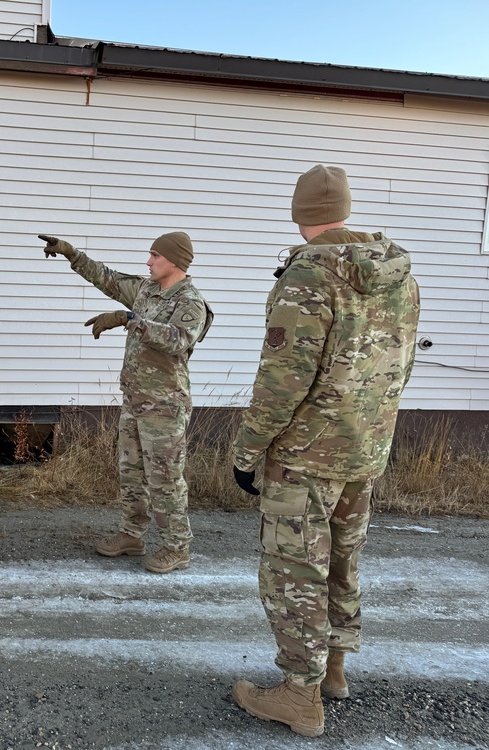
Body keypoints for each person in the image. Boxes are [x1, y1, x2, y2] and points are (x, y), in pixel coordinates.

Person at [230, 165, 420, 736]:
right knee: (342, 558)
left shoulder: (308, 277)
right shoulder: (399, 276)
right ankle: (333, 669)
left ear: (299, 212)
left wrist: (247, 450)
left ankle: (299, 696)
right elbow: (399, 364)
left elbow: (282, 379)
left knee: (293, 572)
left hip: (305, 458)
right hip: (363, 449)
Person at [38, 232, 212, 573]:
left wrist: (129, 320)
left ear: (175, 261)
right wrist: (72, 254)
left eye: (154, 257)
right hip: (134, 399)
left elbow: (177, 340)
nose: (148, 262)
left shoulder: (190, 302)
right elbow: (108, 278)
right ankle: (132, 535)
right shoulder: (147, 290)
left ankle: (177, 547)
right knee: (131, 473)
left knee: (164, 478)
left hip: (164, 405)